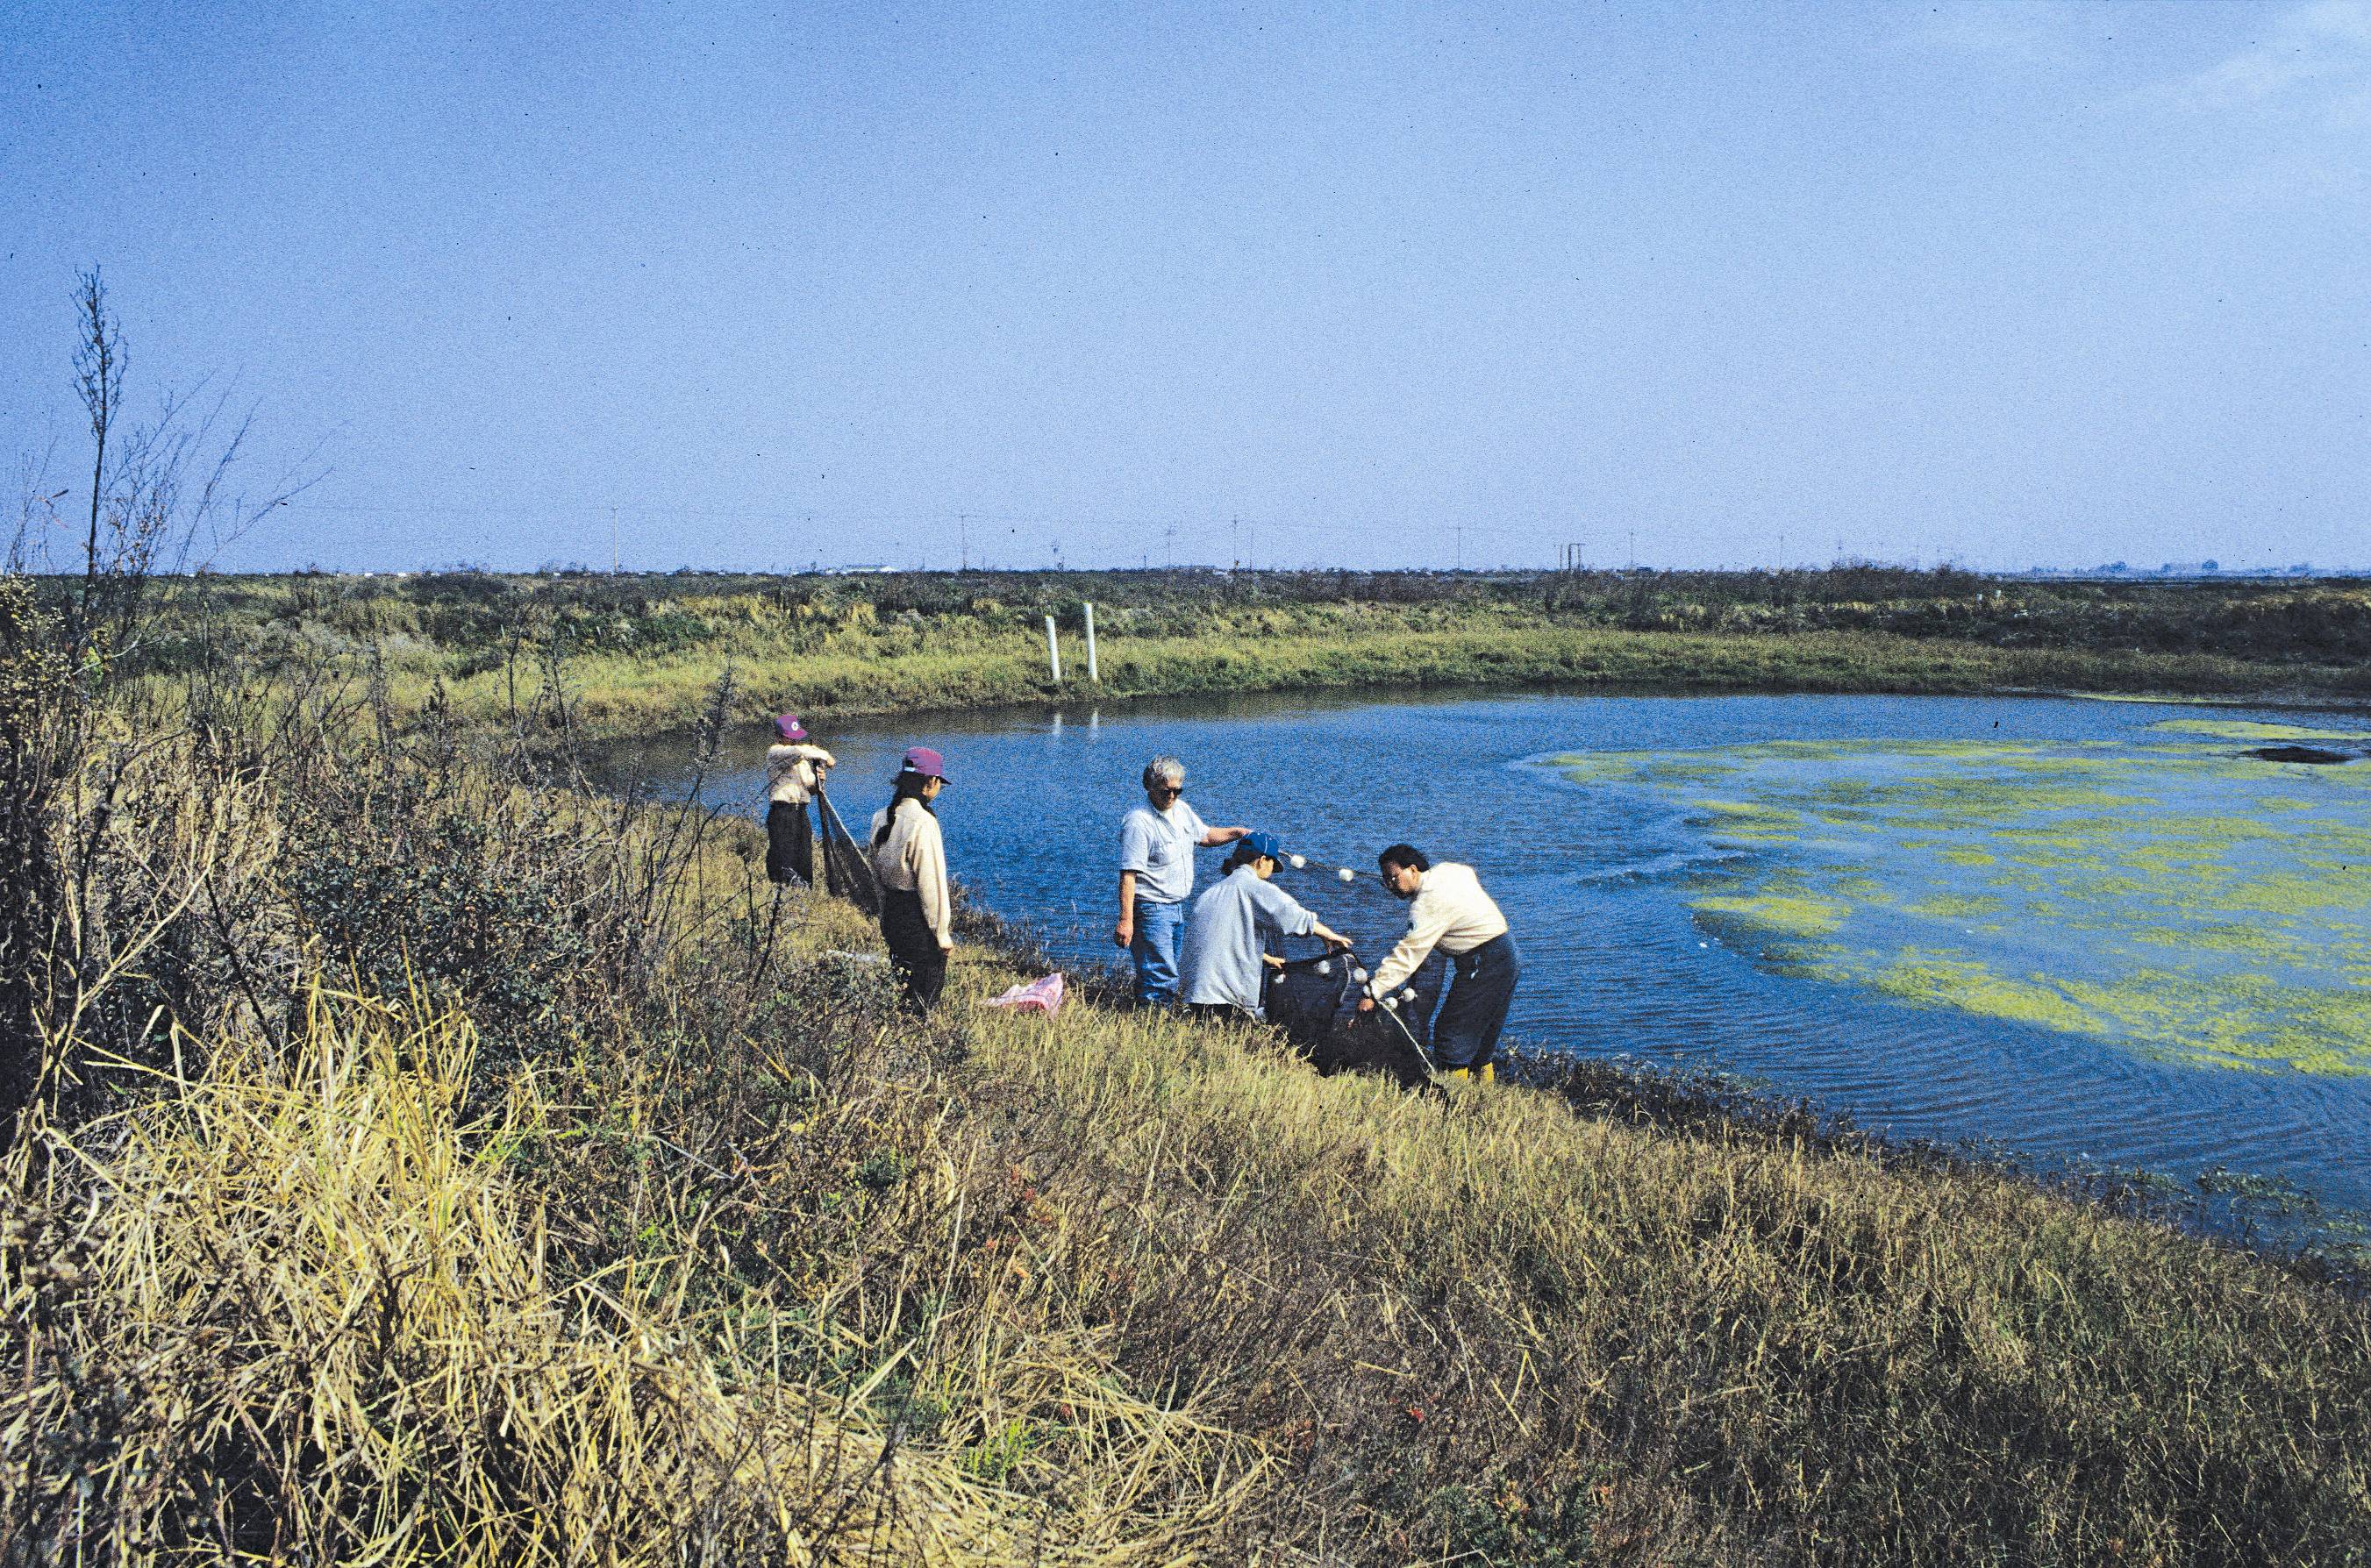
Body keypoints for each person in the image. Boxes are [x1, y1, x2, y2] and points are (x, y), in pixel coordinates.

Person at [1357, 844, 1519, 1083]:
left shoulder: (1425, 905)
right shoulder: (1449, 871)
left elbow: (1407, 954)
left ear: (1412, 870)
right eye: (1386, 881)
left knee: (1451, 1032)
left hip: (1483, 962)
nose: (1390, 886)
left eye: (1393, 878)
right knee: (1483, 1030)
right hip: (1508, 953)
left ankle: (1455, 1097)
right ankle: (1483, 1089)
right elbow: (1468, 873)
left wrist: (1373, 991)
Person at [1112, 755, 1248, 1009]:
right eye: (1166, 791)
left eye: (1177, 790)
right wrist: (1126, 920)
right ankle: (1154, 1028)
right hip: (1150, 908)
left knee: (1165, 971)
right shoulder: (1139, 822)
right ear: (1149, 787)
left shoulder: (1181, 810)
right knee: (1161, 977)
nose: (1172, 796)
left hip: (1175, 908)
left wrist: (1238, 833)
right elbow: (1128, 874)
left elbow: (1206, 835)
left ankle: (1146, 1021)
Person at [1180, 831, 1352, 1022]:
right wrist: (1326, 933)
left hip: (1192, 995)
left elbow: (1218, 940)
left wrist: (1264, 958)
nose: (1270, 875)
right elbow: (1290, 915)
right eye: (1272, 865)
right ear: (1262, 860)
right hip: (1223, 1000)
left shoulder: (1210, 894)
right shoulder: (1253, 886)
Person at [870, 747, 953, 1010]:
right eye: (939, 782)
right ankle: (917, 1040)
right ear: (930, 782)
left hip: (893, 912)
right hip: (916, 916)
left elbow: (875, 875)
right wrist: (941, 933)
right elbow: (932, 885)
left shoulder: (881, 817)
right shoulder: (923, 822)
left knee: (902, 981)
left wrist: (884, 914)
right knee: (924, 994)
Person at [763, 714, 836, 887]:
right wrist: (825, 755)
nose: (794, 742)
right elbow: (800, 751)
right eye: (790, 738)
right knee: (784, 862)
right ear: (779, 736)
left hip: (801, 813)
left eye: (796, 738)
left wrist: (820, 780)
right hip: (782, 812)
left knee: (804, 859)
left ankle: (805, 897)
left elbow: (812, 790)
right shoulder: (775, 752)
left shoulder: (802, 763)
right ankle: (782, 900)